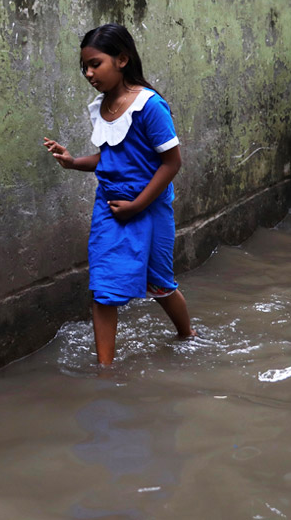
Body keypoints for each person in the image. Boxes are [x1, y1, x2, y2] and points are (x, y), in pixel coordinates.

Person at [43, 23, 194, 366]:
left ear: (122, 59)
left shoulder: (150, 106)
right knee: (103, 289)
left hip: (149, 208)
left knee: (159, 284)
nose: (88, 73)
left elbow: (171, 163)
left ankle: (188, 336)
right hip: (110, 209)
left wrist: (138, 205)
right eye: (84, 66)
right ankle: (105, 370)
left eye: (95, 63)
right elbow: (110, 158)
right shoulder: (102, 106)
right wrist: (73, 161)